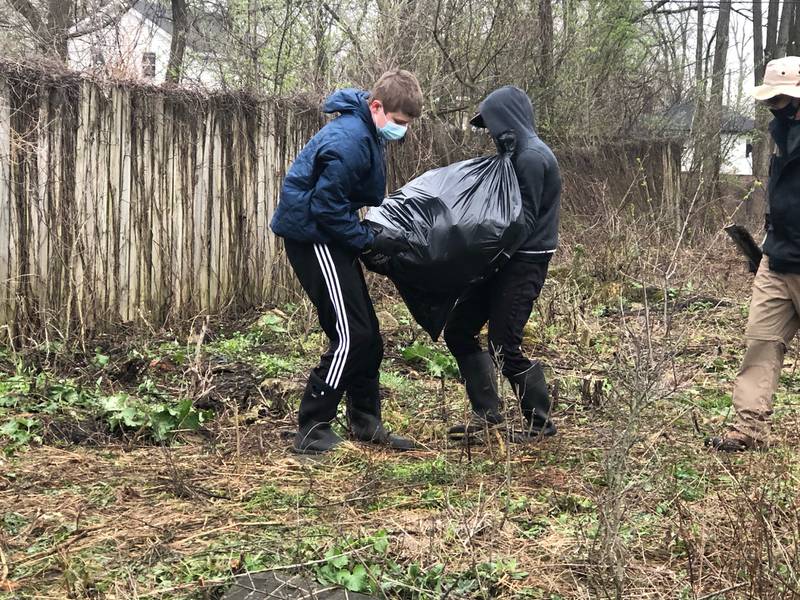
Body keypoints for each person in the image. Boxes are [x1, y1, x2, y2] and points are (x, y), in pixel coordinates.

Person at [270, 70, 423, 454]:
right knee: (351, 335)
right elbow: (325, 208)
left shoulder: (366, 132)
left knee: (368, 334)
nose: (401, 131)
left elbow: (340, 203)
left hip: (329, 235)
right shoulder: (350, 140)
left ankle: (366, 422)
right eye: (399, 123)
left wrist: (364, 238)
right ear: (376, 107)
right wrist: (367, 240)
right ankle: (313, 426)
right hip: (314, 239)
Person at [444, 86, 561, 443]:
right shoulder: (512, 155)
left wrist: (474, 249)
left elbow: (518, 220)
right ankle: (488, 415)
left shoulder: (531, 157)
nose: (491, 133)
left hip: (524, 261)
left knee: (503, 344)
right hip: (502, 260)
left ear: (509, 119)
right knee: (460, 329)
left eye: (493, 124)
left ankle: (540, 424)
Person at [708, 56, 800, 452]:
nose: (773, 107)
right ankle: (747, 429)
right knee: (761, 342)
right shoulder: (781, 133)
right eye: (771, 101)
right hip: (777, 260)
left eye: (780, 100)